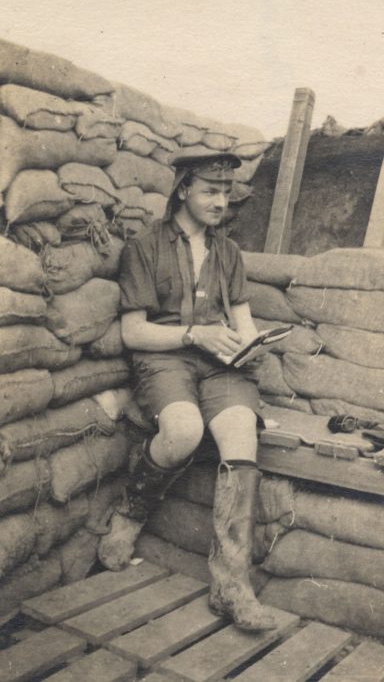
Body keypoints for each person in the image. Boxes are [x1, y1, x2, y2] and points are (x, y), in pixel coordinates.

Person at [98, 146, 276, 631]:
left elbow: (241, 320)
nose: (221, 202)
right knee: (183, 432)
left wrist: (252, 344)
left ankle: (231, 587)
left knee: (242, 436)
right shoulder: (144, 246)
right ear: (183, 191)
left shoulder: (229, 252)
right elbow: (133, 333)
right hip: (165, 358)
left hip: (220, 367)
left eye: (226, 193)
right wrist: (195, 334)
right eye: (210, 191)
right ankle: (129, 515)